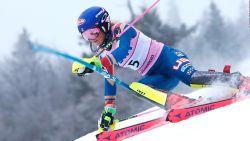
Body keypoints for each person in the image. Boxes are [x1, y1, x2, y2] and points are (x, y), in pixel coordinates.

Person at [72, 6, 250, 132]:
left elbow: (124, 49)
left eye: (93, 33)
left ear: (104, 25)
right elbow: (109, 79)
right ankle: (180, 103)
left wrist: (95, 62)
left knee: (192, 79)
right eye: (86, 35)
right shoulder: (105, 54)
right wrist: (109, 110)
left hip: (169, 59)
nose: (91, 39)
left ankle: (239, 80)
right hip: (157, 76)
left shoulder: (122, 30)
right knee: (137, 87)